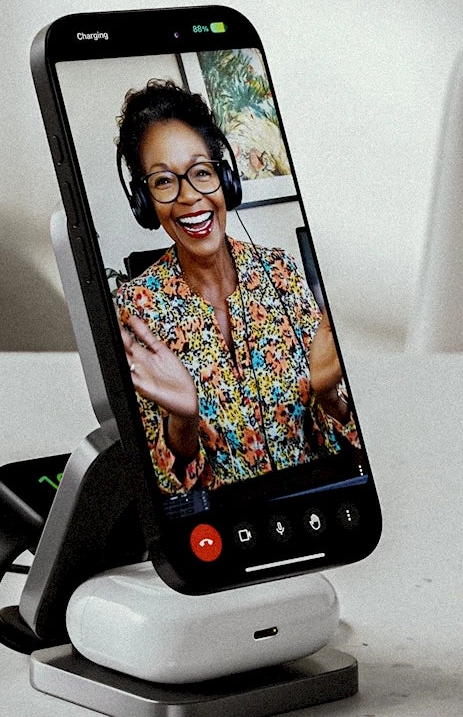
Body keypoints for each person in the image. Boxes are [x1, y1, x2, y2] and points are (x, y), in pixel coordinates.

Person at [112, 79, 359, 495]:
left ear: (225, 178)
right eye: (163, 181)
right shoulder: (134, 309)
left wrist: (328, 393)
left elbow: (347, 446)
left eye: (202, 173)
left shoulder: (280, 272)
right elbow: (162, 489)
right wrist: (183, 422)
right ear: (145, 202)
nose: (189, 197)